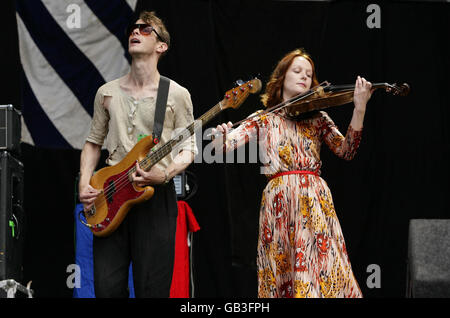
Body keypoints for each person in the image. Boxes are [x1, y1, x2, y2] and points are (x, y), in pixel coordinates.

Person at [213, 48, 373, 298]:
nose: (303, 77)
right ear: (281, 77)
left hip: (313, 200)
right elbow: (225, 145)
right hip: (279, 203)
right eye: (297, 71)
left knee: (321, 269)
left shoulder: (318, 118)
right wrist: (221, 136)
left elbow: (347, 150)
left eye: (308, 75)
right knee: (280, 270)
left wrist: (359, 108)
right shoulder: (264, 118)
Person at [78, 11, 197, 298]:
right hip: (110, 194)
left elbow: (189, 148)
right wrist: (84, 182)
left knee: (152, 289)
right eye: (134, 28)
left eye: (146, 30)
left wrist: (165, 173)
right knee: (106, 289)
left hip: (154, 196)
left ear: (161, 46)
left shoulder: (177, 94)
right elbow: (93, 142)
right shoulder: (106, 92)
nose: (136, 32)